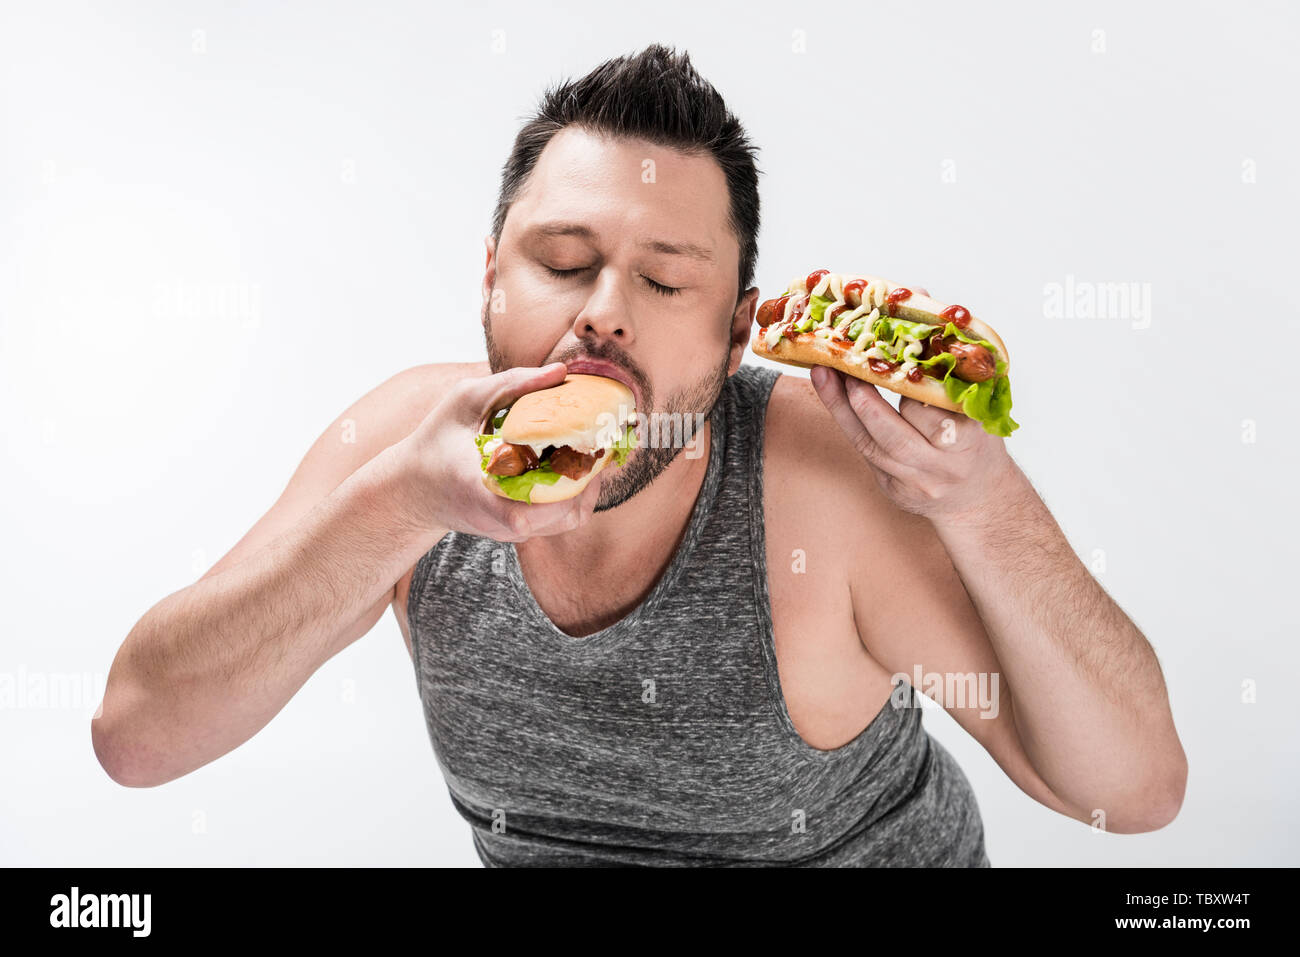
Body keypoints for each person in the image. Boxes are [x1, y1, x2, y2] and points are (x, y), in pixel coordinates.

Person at [93, 44, 1187, 866]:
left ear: (737, 328)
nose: (603, 314)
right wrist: (395, 511)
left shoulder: (815, 476)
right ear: (490, 278)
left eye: (666, 282)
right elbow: (137, 738)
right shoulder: (406, 454)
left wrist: (984, 500)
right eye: (562, 261)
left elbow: (1131, 792)